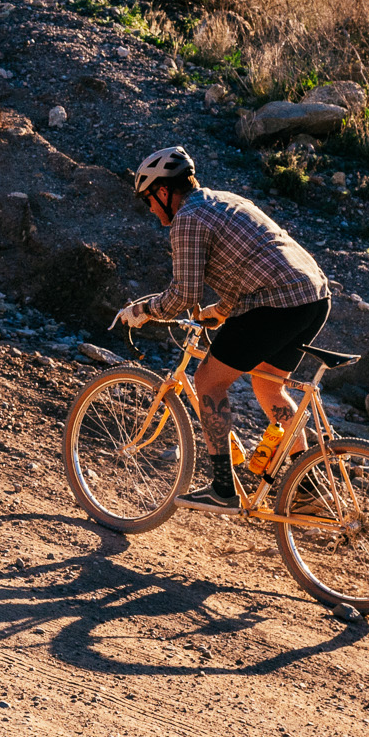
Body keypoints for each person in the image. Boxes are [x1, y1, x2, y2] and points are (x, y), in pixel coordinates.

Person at [118, 146, 332, 510]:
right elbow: (251, 262)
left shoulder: (186, 220)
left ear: (165, 192)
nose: (151, 210)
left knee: (207, 382)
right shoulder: (225, 201)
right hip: (313, 296)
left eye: (149, 201)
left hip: (277, 304)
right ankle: (309, 487)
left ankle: (222, 489)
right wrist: (222, 310)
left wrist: (146, 310)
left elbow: (183, 294)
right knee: (267, 385)